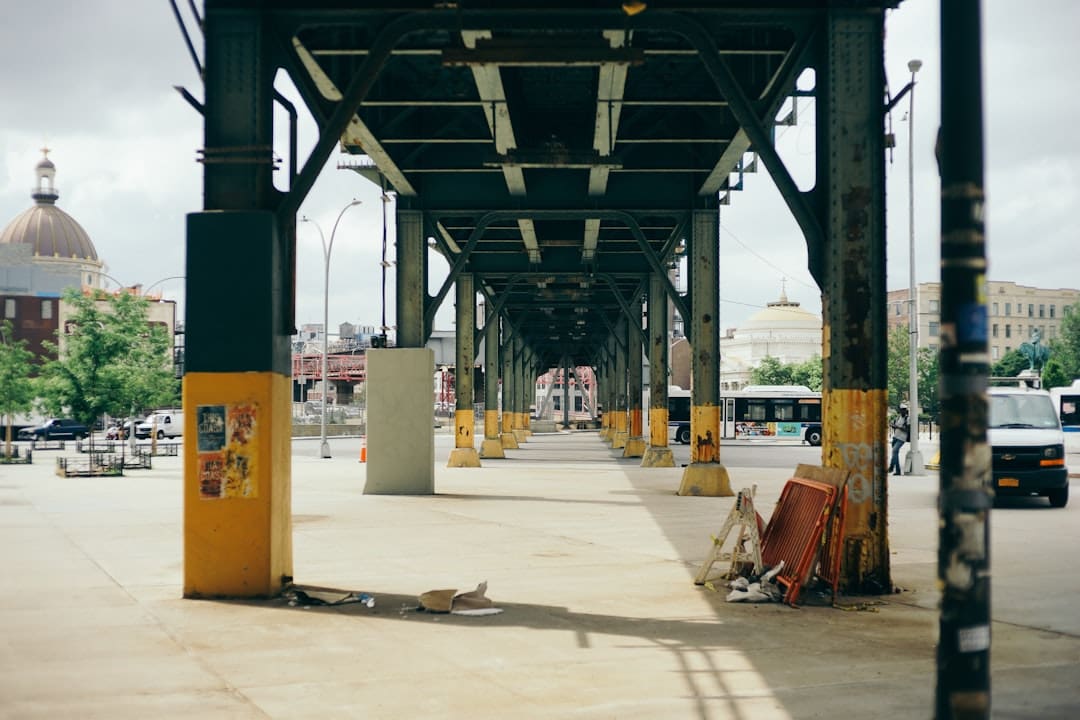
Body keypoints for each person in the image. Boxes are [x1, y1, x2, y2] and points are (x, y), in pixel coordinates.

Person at [889, 407, 910, 476]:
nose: (901, 412)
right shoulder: (898, 417)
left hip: (902, 438)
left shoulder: (907, 419)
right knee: (895, 454)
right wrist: (893, 426)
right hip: (895, 437)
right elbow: (895, 425)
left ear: (905, 411)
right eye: (901, 411)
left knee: (894, 451)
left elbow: (907, 429)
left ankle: (893, 468)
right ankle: (895, 470)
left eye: (903, 411)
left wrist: (898, 427)